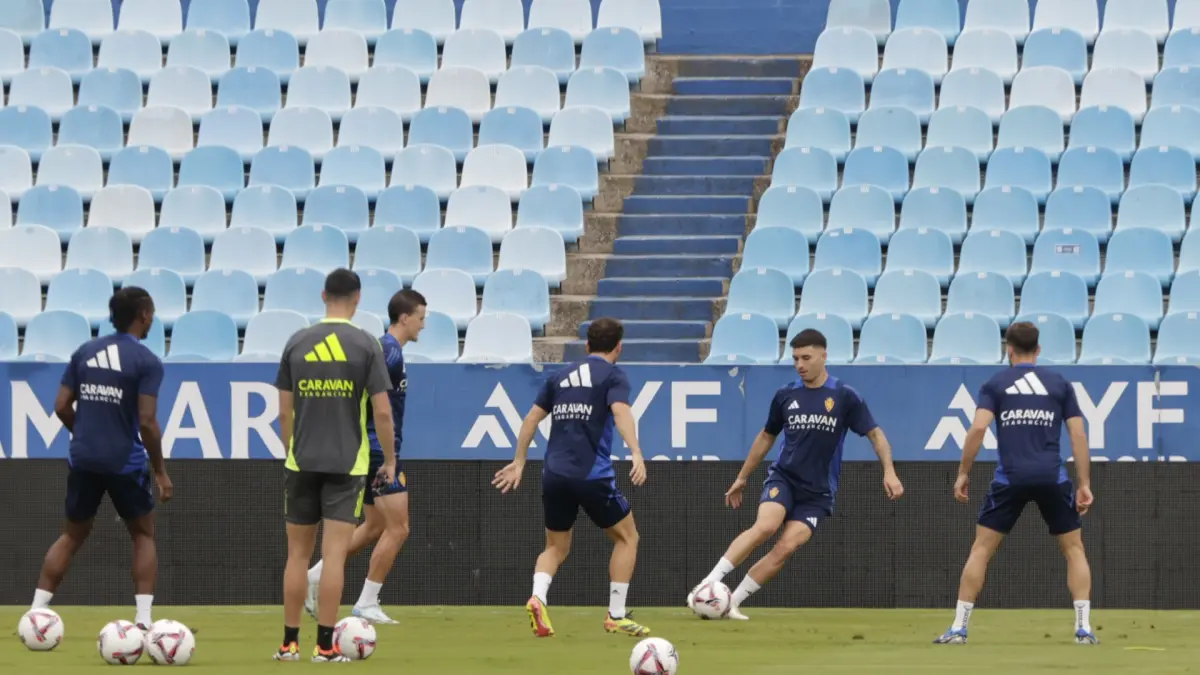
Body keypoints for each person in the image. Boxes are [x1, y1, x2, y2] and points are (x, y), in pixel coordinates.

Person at [689, 329, 904, 620]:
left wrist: (889, 472)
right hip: (785, 478)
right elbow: (766, 436)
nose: (799, 364)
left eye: (806, 357)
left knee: (786, 547)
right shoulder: (786, 394)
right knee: (765, 527)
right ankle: (706, 585)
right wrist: (742, 477)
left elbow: (875, 434)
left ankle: (731, 603)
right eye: (795, 358)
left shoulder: (844, 396)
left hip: (818, 493)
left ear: (823, 356)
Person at [935, 321, 1097, 645]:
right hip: (1052, 477)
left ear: (1008, 349)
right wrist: (1084, 483)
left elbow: (978, 429)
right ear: (1038, 350)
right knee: (1074, 549)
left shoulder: (995, 384)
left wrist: (964, 472)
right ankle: (1084, 629)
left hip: (1010, 478)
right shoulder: (1060, 384)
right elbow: (1078, 434)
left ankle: (958, 628)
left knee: (981, 549)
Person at [492, 318, 650, 638]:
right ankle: (616, 615)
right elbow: (621, 411)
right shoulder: (613, 375)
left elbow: (531, 419)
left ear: (587, 345)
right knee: (627, 537)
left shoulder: (559, 376)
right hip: (591, 474)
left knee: (555, 546)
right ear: (619, 347)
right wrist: (635, 451)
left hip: (553, 474)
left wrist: (519, 462)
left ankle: (538, 597)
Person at [31, 287, 171, 630]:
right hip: (124, 460)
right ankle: (143, 621)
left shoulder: (85, 351)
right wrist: (160, 471)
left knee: (71, 535)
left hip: (84, 458)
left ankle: (35, 612)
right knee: (143, 534)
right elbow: (147, 421)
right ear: (144, 316)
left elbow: (61, 405)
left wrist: (83, 433)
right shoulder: (147, 361)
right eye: (151, 314)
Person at [273, 269, 396, 663]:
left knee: (297, 555)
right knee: (334, 556)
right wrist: (390, 460)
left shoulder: (297, 341)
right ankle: (325, 647)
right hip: (347, 464)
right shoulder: (366, 344)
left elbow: (283, 412)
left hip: (302, 461)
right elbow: (382, 412)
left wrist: (291, 451)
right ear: (357, 299)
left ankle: (289, 645)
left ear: (323, 295)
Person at [305, 290, 426, 625]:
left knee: (375, 525)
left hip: (372, 448)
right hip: (378, 451)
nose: (423, 325)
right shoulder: (389, 352)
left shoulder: (387, 350)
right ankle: (367, 602)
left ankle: (317, 573)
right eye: (420, 318)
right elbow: (371, 401)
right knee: (399, 528)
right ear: (405, 318)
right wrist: (388, 457)